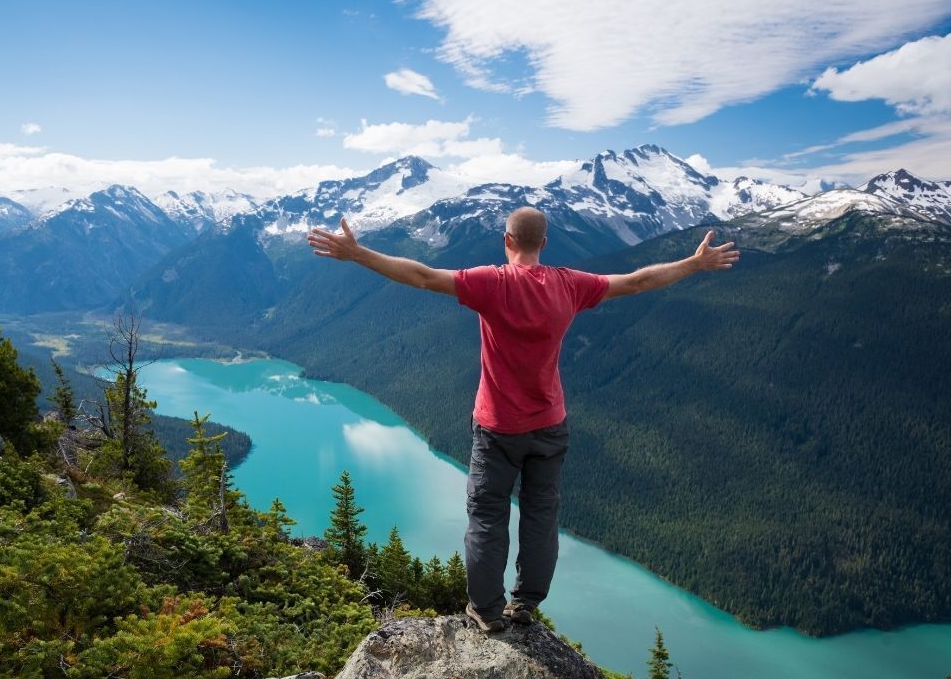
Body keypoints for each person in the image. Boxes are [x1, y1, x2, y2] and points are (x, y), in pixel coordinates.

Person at [307, 208, 738, 632]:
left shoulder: (492, 283)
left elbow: (420, 275)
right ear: (544, 244)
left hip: (497, 429)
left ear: (507, 240)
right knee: (541, 515)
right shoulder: (570, 285)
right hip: (550, 426)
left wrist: (359, 254)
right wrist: (694, 264)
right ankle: (526, 603)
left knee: (487, 517)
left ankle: (487, 611)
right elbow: (640, 281)